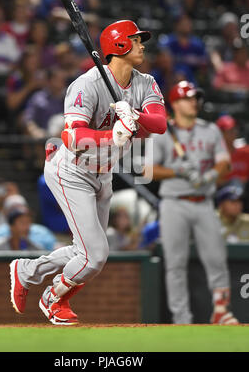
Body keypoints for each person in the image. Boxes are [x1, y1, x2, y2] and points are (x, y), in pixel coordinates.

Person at [9, 19, 167, 325]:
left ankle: (26, 271)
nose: (142, 44)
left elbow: (159, 123)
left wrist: (133, 114)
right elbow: (71, 136)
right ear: (119, 45)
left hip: (103, 173)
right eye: (135, 40)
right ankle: (53, 297)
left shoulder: (145, 82)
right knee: (95, 256)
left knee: (85, 251)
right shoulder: (87, 84)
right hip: (71, 170)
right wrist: (115, 136)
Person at [144, 80, 238, 325]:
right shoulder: (163, 132)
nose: (194, 102)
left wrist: (209, 175)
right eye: (188, 98)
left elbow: (224, 162)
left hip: (204, 201)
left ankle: (220, 310)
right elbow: (148, 170)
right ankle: (181, 317)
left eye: (195, 98)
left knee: (216, 257)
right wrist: (178, 172)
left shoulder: (210, 130)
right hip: (174, 202)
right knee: (176, 263)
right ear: (175, 103)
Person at [215, 115, 249, 186]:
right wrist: (231, 183)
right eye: (230, 130)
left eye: (234, 129)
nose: (234, 132)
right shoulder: (214, 157)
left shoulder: (245, 152)